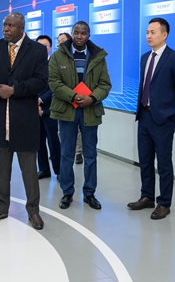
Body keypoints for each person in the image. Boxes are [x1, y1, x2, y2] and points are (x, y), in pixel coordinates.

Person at [0, 12, 48, 230]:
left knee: (29, 170)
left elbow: (41, 81)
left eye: (10, 26)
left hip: (25, 119)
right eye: (4, 25)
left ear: (21, 28)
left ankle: (33, 210)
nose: (6, 29)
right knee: (1, 168)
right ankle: (1, 208)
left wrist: (15, 90)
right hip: (0, 119)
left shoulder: (37, 50)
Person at [127, 17, 175, 220]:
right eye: (147, 32)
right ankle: (147, 196)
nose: (148, 36)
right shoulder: (145, 57)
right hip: (144, 116)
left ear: (164, 35)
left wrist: (171, 112)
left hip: (163, 119)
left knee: (163, 163)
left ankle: (164, 203)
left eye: (153, 32)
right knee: (145, 160)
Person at [49, 21, 112, 210]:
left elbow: (105, 84)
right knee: (67, 153)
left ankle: (89, 193)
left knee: (90, 154)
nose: (79, 36)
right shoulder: (58, 55)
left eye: (83, 33)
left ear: (88, 36)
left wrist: (92, 98)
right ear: (71, 34)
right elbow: (53, 81)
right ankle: (67, 192)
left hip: (90, 110)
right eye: (76, 32)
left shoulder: (98, 56)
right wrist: (73, 96)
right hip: (66, 109)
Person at [35, 35, 61, 180]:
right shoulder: (33, 65)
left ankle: (59, 170)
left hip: (51, 107)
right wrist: (35, 102)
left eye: (44, 46)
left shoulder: (55, 63)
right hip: (35, 108)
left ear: (50, 48)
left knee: (53, 141)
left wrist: (40, 100)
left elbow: (55, 87)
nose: (41, 48)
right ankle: (44, 169)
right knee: (39, 141)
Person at [57, 32, 84, 165]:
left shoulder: (85, 55)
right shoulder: (57, 57)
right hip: (64, 102)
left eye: (63, 40)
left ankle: (78, 152)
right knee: (63, 135)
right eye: (58, 41)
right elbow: (54, 82)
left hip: (84, 100)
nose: (60, 43)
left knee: (79, 131)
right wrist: (70, 95)